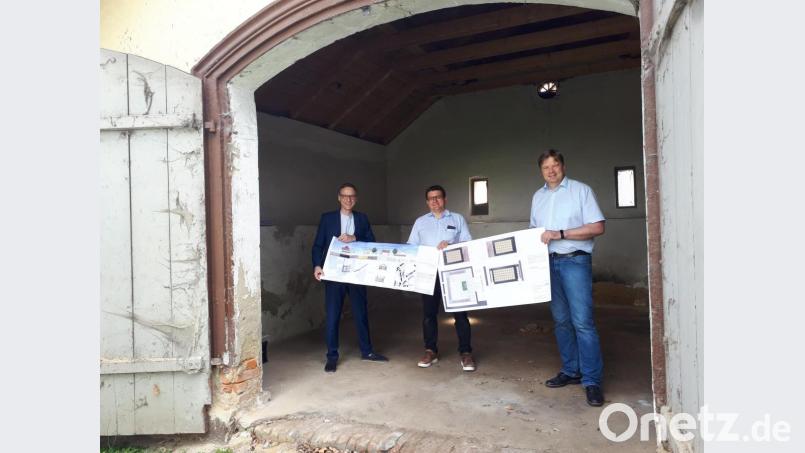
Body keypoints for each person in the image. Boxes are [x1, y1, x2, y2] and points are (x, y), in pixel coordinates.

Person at [529, 149, 606, 406]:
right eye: (546, 167)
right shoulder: (538, 197)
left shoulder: (581, 191)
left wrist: (560, 233)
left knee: (583, 322)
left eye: (555, 165)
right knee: (561, 321)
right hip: (548, 263)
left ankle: (592, 380)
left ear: (563, 166)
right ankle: (571, 370)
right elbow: (534, 232)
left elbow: (597, 227)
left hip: (575, 261)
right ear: (541, 171)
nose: (551, 171)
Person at [312, 183, 388, 373]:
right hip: (334, 274)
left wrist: (355, 238)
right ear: (339, 197)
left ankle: (367, 351)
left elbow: (372, 241)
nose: (348, 199)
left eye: (352, 196)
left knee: (361, 314)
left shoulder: (362, 218)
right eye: (345, 196)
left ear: (356, 199)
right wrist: (317, 265)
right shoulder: (327, 218)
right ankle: (332, 356)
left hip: (357, 273)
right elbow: (318, 245)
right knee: (333, 316)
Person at [407, 185, 476, 372]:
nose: (434, 201)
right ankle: (430, 351)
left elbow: (468, 242)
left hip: (454, 272)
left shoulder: (457, 219)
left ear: (445, 199)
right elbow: (411, 246)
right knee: (429, 315)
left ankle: (466, 353)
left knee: (460, 314)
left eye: (438, 197)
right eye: (431, 198)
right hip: (429, 274)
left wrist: (451, 245)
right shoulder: (420, 222)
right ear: (427, 202)